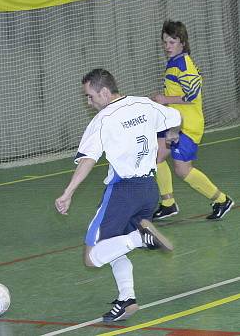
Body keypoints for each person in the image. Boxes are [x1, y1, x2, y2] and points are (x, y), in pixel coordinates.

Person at [55, 69, 181, 322]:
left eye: (90, 96)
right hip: (149, 190)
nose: (89, 102)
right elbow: (175, 117)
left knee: (92, 256)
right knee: (115, 248)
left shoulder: (103, 119)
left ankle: (140, 238)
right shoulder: (144, 104)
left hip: (123, 191)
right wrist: (170, 139)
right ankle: (127, 298)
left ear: (104, 92)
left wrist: (68, 192)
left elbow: (88, 159)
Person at [152, 20, 234, 220]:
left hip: (188, 125)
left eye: (172, 42)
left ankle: (222, 200)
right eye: (165, 42)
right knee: (156, 157)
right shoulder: (173, 62)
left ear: (182, 42)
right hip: (174, 122)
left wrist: (165, 99)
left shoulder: (184, 64)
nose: (167, 46)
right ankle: (168, 203)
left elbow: (192, 96)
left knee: (182, 169)